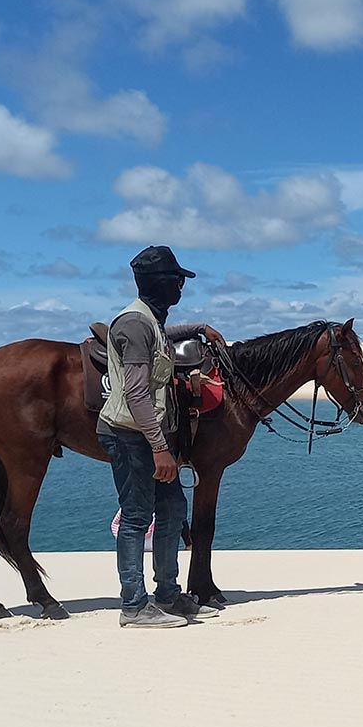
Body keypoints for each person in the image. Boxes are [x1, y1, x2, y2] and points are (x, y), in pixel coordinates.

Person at [98, 245, 226, 628]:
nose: (181, 290)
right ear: (159, 284)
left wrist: (199, 327)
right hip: (130, 435)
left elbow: (164, 336)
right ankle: (134, 605)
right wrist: (160, 447)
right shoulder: (136, 325)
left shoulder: (149, 321)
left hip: (146, 436)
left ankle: (168, 595)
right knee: (137, 517)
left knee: (171, 509)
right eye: (176, 282)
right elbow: (137, 393)